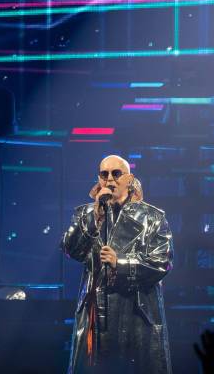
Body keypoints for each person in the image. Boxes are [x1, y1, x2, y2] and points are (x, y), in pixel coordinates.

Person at [61, 155, 173, 373]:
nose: (110, 179)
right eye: (104, 174)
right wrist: (95, 218)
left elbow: (163, 261)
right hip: (96, 311)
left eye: (116, 173)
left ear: (129, 179)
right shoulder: (86, 215)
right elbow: (69, 248)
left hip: (137, 310)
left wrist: (120, 263)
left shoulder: (152, 217)